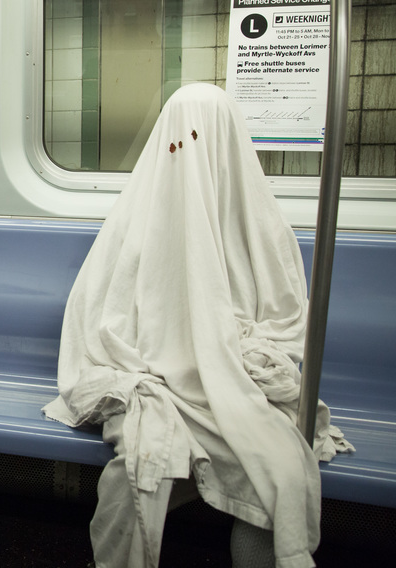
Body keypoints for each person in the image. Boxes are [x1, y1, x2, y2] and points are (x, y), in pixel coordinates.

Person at [43, 83, 352, 568]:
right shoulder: (132, 222)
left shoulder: (263, 228)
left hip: (235, 379)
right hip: (155, 378)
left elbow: (289, 323)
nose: (187, 154)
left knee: (278, 468)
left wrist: (235, 351)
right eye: (179, 139)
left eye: (199, 140)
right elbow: (97, 317)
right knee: (151, 458)